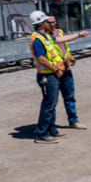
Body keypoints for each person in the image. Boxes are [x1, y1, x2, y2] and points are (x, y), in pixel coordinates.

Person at [27, 10, 71, 144]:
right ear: (41, 24)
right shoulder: (37, 39)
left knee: (52, 103)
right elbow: (41, 59)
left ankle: (52, 130)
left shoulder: (44, 36)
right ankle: (42, 134)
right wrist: (55, 70)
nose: (49, 23)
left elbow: (59, 40)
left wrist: (79, 35)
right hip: (47, 75)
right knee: (49, 104)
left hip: (51, 74)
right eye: (46, 21)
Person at [48, 14, 90, 132]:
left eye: (54, 21)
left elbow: (64, 48)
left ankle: (73, 121)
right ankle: (50, 127)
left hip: (66, 70)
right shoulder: (44, 37)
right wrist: (79, 35)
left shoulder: (59, 32)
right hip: (54, 72)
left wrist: (69, 57)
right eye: (50, 22)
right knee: (52, 101)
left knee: (69, 97)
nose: (53, 24)